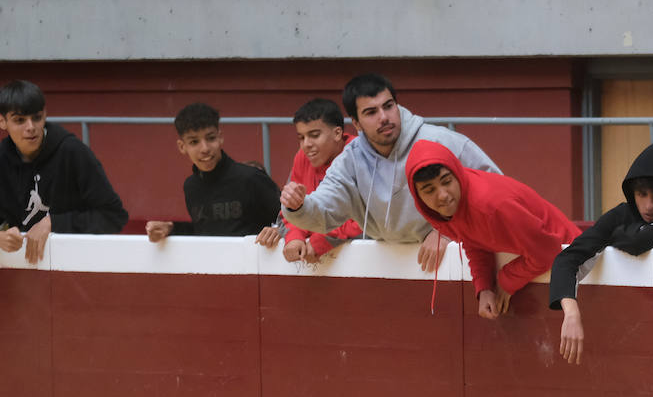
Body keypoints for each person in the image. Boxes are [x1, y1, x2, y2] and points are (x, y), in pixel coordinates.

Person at [280, 73, 500, 272]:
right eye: (371, 112)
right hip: (387, 264)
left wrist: (448, 231)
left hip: (450, 261)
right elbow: (325, 211)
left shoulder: (440, 141)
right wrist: (298, 207)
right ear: (356, 123)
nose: (384, 117)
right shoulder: (350, 161)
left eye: (388, 106)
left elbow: (495, 190)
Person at [548, 141, 653, 364]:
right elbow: (567, 258)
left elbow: (638, 240)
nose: (649, 205)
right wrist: (571, 312)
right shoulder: (622, 214)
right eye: (642, 194)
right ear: (632, 193)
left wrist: (613, 236)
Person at [406, 140, 579, 319]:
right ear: (418, 198)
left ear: (456, 174)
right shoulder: (451, 207)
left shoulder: (493, 205)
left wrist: (505, 281)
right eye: (429, 190)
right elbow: (474, 239)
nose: (442, 195)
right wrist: (485, 287)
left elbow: (548, 252)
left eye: (446, 181)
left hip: (576, 261)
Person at [0, 80, 127, 262]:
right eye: (19, 120)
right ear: (2, 121)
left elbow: (114, 216)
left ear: (45, 114)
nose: (30, 127)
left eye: (36, 117)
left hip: (77, 265)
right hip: (25, 271)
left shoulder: (73, 152)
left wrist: (53, 223)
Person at [144, 102, 280, 241]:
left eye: (211, 138)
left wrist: (276, 230)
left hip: (254, 261)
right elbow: (204, 232)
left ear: (220, 137)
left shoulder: (251, 178)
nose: (205, 148)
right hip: (211, 261)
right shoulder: (191, 187)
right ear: (182, 146)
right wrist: (172, 229)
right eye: (194, 142)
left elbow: (290, 221)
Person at [254, 98, 362, 263]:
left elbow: (367, 219)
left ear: (337, 133)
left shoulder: (361, 156)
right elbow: (292, 208)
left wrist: (322, 240)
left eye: (314, 135)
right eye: (301, 137)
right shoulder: (302, 157)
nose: (306, 145)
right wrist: (294, 236)